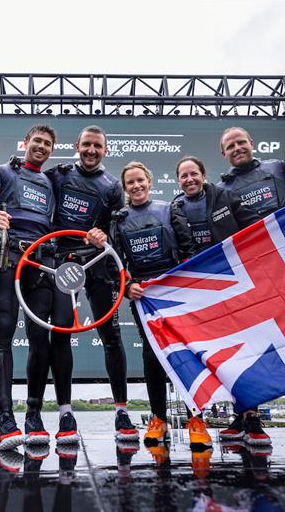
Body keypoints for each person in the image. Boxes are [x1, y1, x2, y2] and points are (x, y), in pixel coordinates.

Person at [45, 125, 137, 441]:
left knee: (111, 335)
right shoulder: (58, 174)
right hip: (61, 261)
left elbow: (115, 230)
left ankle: (122, 412)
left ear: (105, 150)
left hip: (98, 264)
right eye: (86, 145)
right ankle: (65, 415)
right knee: (61, 334)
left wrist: (103, 236)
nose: (91, 150)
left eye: (97, 146)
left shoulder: (112, 186)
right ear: (77, 145)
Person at [170, 156, 261, 449]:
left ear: (203, 174)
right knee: (218, 356)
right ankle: (235, 417)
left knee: (244, 353)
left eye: (193, 174)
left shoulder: (225, 197)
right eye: (183, 176)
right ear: (178, 181)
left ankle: (252, 418)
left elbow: (256, 227)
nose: (189, 180)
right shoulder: (176, 208)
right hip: (199, 290)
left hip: (233, 284)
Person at [215, 126, 285, 445]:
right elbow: (225, 236)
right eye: (229, 145)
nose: (236, 148)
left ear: (252, 143)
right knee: (250, 348)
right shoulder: (223, 188)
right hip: (253, 277)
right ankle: (248, 417)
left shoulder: (279, 168)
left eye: (240, 142)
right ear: (223, 153)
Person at [0, 125, 58, 450]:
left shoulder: (52, 184)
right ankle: (5, 420)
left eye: (47, 144)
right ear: (25, 143)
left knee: (40, 337)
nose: (40, 146)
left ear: (51, 150)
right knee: (3, 330)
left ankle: (34, 416)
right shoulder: (0, 172)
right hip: (6, 256)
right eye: (36, 141)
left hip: (39, 264)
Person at [109, 161, 182, 446]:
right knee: (152, 354)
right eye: (130, 183)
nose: (136, 186)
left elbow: (187, 249)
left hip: (176, 292)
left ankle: (196, 417)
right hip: (143, 295)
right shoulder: (120, 219)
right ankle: (158, 419)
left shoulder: (169, 209)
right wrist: (127, 287)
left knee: (184, 354)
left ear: (149, 181)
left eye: (141, 180)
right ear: (125, 188)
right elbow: (115, 262)